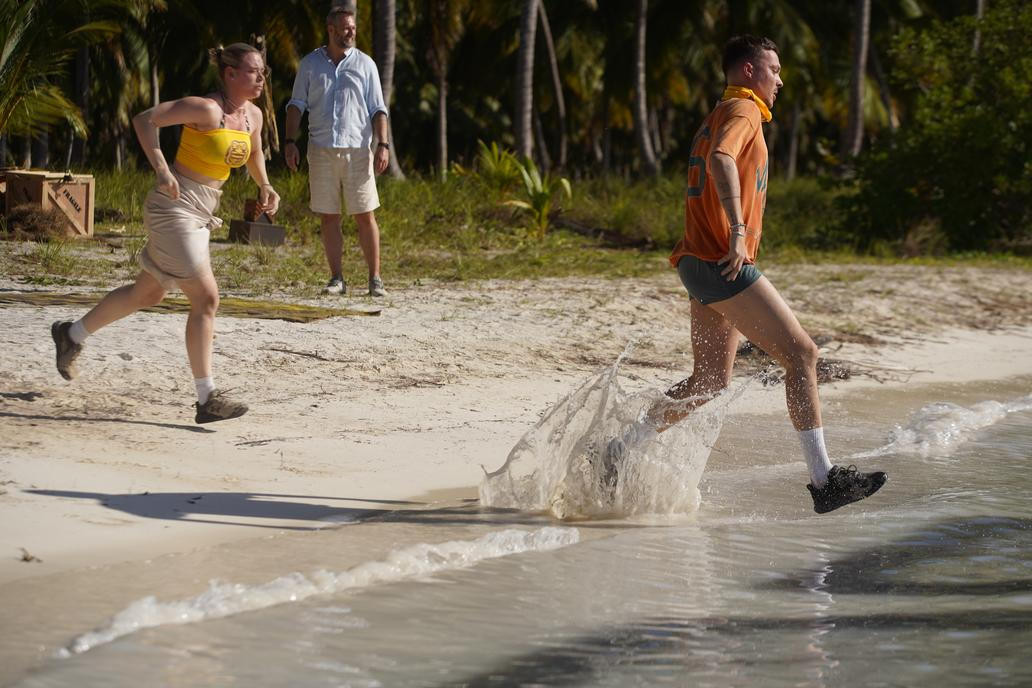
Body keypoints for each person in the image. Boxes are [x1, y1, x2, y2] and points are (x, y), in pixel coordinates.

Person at [616, 35, 886, 514]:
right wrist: (739, 231)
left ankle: (621, 449)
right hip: (723, 261)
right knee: (803, 354)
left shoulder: (722, 111)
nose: (780, 79)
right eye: (774, 69)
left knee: (708, 382)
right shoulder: (743, 111)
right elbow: (721, 157)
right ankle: (825, 480)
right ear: (747, 71)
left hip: (698, 263)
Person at [50, 43, 280, 424]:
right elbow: (144, 119)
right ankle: (207, 398)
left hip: (203, 211)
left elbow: (253, 153)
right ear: (230, 74)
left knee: (148, 292)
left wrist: (265, 186)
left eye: (264, 72)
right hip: (172, 206)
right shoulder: (206, 108)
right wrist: (161, 168)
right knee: (206, 299)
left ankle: (70, 335)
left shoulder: (252, 116)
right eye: (254, 71)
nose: (261, 78)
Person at [284, 0, 390, 297]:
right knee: (329, 216)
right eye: (346, 28)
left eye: (354, 28)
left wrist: (382, 144)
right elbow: (296, 105)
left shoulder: (365, 64)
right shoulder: (309, 64)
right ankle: (337, 278)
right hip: (320, 149)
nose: (351, 32)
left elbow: (378, 109)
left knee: (365, 214)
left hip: (358, 149)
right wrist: (290, 142)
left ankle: (375, 279)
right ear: (331, 29)